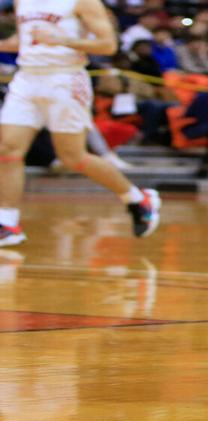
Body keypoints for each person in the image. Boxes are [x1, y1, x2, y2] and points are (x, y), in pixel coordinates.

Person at [0, 0, 161, 247]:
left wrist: (62, 40)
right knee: (8, 150)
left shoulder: (82, 1)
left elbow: (108, 45)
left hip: (65, 77)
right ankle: (8, 223)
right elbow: (24, 41)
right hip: (26, 78)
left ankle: (137, 198)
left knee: (73, 157)